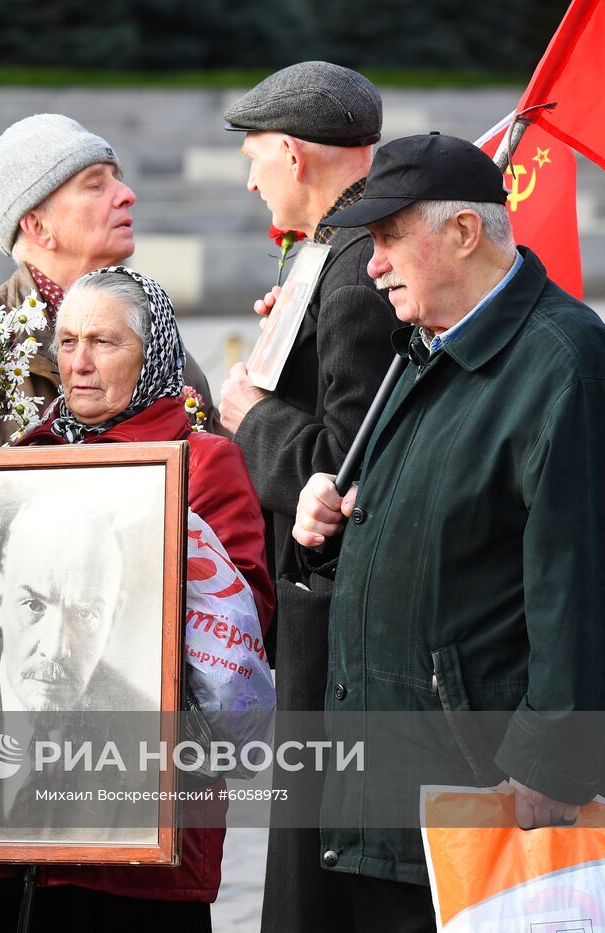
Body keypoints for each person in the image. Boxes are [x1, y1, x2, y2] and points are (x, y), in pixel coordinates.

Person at [291, 134, 605, 931]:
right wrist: (322, 533)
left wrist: (547, 773)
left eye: (389, 239)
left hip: (490, 811)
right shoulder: (420, 351)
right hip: (391, 801)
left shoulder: (568, 363)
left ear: (463, 232)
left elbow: (591, 589)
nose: (374, 264)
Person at [0, 112, 220, 932]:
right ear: (35, 223)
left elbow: (211, 527)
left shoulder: (160, 343)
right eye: (95, 185)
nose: (126, 196)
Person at [0, 267, 273, 931]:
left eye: (104, 343)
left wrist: (158, 544)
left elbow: (245, 620)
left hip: (139, 838)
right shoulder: (20, 459)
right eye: (68, 340)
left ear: (154, 353)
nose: (78, 362)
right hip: (7, 837)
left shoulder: (203, 463)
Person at [217, 61, 400, 932]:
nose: (250, 178)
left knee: (319, 880)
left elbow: (349, 461)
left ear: (292, 152)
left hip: (336, 615)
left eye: (255, 156)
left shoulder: (359, 262)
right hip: (331, 612)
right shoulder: (340, 249)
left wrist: (252, 414)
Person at [0, 492, 148, 715]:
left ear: (112, 619)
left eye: (85, 614)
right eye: (33, 605)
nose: (54, 650)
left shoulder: (147, 723)